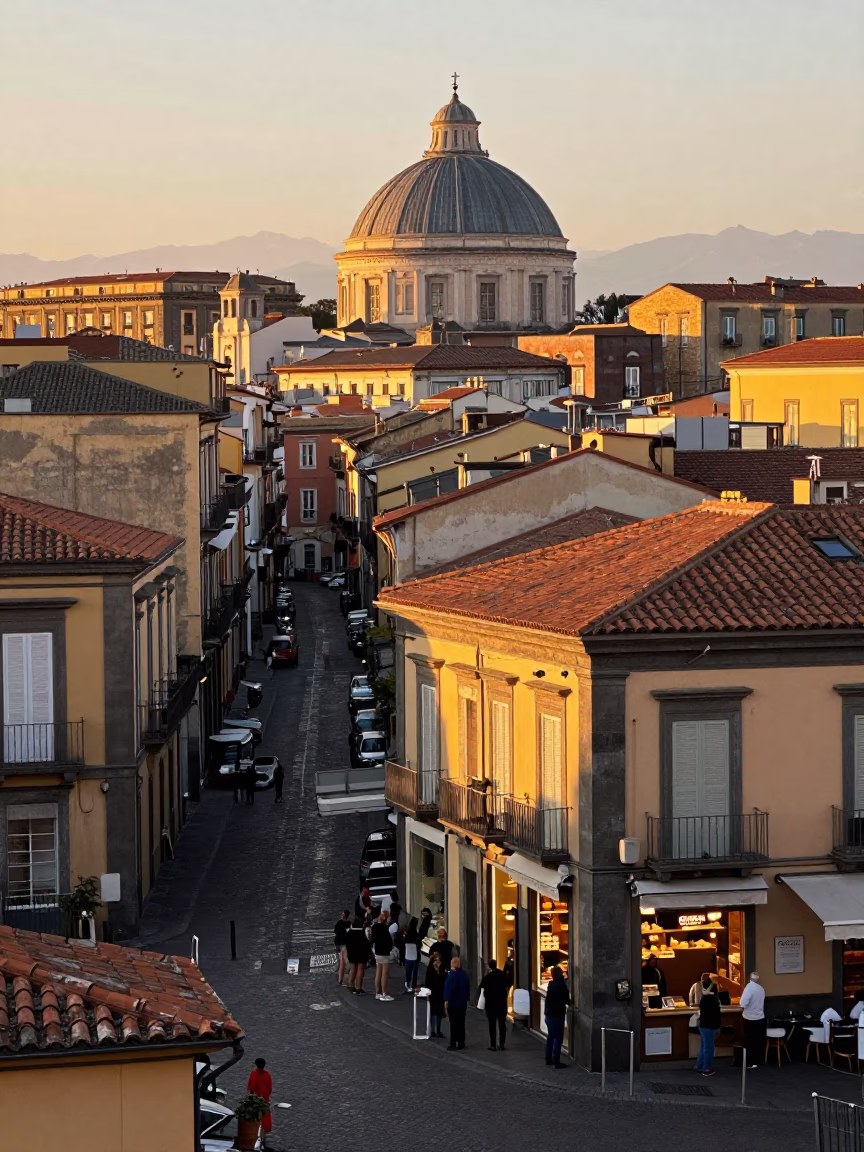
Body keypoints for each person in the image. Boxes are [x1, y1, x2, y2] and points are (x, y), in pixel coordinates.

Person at [480, 958, 509, 1051]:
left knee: (492, 1025)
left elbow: (482, 988)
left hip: (491, 1004)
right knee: (502, 1024)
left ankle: (493, 1045)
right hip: (501, 1003)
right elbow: (507, 986)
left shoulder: (487, 978)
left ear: (489, 966)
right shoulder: (502, 975)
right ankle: (502, 1044)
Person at [739, 971, 766, 1068]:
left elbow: (742, 1003)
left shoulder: (748, 988)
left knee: (749, 1041)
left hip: (749, 1018)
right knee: (758, 1041)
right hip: (760, 1017)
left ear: (749, 978)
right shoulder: (761, 989)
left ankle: (750, 1062)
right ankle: (758, 1061)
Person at [695, 977, 721, 1077]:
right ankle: (706, 1068)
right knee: (709, 1048)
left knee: (704, 1047)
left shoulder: (704, 998)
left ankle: (699, 1065)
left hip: (704, 1025)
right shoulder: (712, 999)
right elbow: (715, 1014)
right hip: (709, 1026)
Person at [544, 965, 569, 1068]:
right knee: (558, 1038)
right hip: (557, 1015)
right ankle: (556, 1061)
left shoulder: (551, 984)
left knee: (550, 1037)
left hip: (549, 1014)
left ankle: (548, 1058)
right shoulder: (561, 985)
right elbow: (566, 1000)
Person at [443, 956, 471, 1050]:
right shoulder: (465, 974)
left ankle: (453, 1043)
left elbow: (449, 989)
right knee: (461, 1023)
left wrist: (446, 1000)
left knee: (453, 1024)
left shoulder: (452, 975)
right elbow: (468, 988)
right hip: (462, 1003)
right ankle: (461, 1042)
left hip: (453, 1003)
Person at [246, 1058, 272, 1146]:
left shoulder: (254, 1074)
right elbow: (270, 1088)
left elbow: (251, 1088)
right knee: (264, 1120)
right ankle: (263, 1138)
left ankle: (256, 1138)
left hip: (256, 1101)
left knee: (256, 1120)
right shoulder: (267, 1074)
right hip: (265, 1100)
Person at [371, 909, 394, 1001]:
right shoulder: (384, 928)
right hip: (384, 952)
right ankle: (384, 993)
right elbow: (389, 941)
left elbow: (373, 939)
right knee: (385, 973)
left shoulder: (374, 927)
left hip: (377, 951)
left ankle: (377, 993)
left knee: (378, 972)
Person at [424, 949, 447, 1038]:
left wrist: (439, 971)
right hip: (433, 994)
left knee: (439, 1012)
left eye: (439, 960)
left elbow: (444, 979)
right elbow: (428, 982)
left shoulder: (442, 969)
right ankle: (433, 1030)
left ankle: (438, 1030)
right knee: (433, 1012)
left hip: (440, 993)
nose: (438, 962)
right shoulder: (430, 970)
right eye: (436, 960)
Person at [345, 915, 369, 995]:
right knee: (360, 969)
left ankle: (351, 985)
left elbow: (347, 943)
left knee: (353, 968)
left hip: (352, 952)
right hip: (361, 953)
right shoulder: (362, 932)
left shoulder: (349, 933)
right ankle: (358, 988)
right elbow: (367, 943)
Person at [404, 916, 421, 992]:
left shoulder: (408, 934)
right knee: (414, 971)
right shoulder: (416, 934)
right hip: (415, 955)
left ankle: (408, 984)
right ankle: (413, 985)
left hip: (408, 955)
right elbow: (419, 944)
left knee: (408, 971)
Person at [334, 910, 351, 987]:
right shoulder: (348, 924)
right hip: (344, 944)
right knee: (347, 963)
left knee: (342, 963)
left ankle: (340, 980)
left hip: (338, 943)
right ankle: (345, 980)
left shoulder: (338, 922)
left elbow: (335, 931)